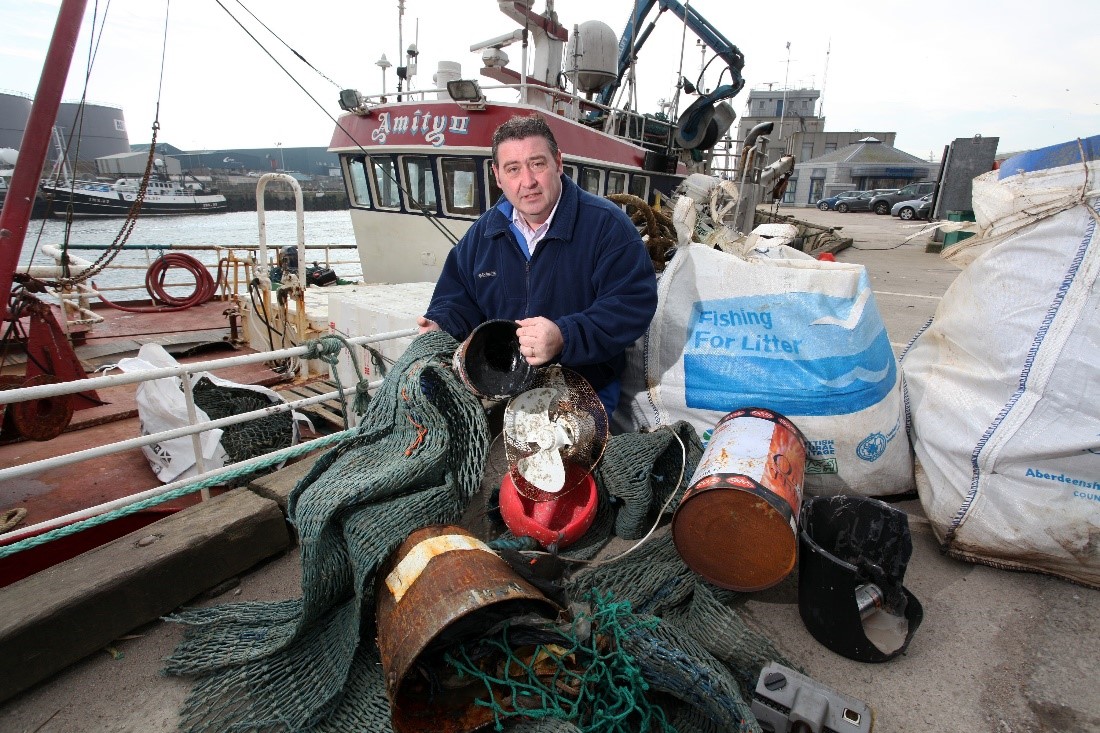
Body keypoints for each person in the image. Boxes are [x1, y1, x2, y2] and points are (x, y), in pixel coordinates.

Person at [418, 114, 657, 418]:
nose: (527, 181)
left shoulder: (608, 226)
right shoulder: (484, 233)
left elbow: (631, 305)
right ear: (497, 175)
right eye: (513, 169)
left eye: (537, 164)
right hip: (506, 388)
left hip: (586, 390)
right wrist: (441, 325)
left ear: (558, 162)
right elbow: (458, 297)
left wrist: (563, 336)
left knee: (567, 466)